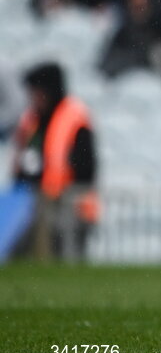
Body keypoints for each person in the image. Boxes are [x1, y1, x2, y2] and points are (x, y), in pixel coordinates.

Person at [9, 62, 99, 261]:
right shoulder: (31, 121)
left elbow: (86, 168)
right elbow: (24, 162)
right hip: (34, 205)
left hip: (70, 205)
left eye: (37, 91)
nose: (33, 97)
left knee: (65, 258)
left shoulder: (75, 117)